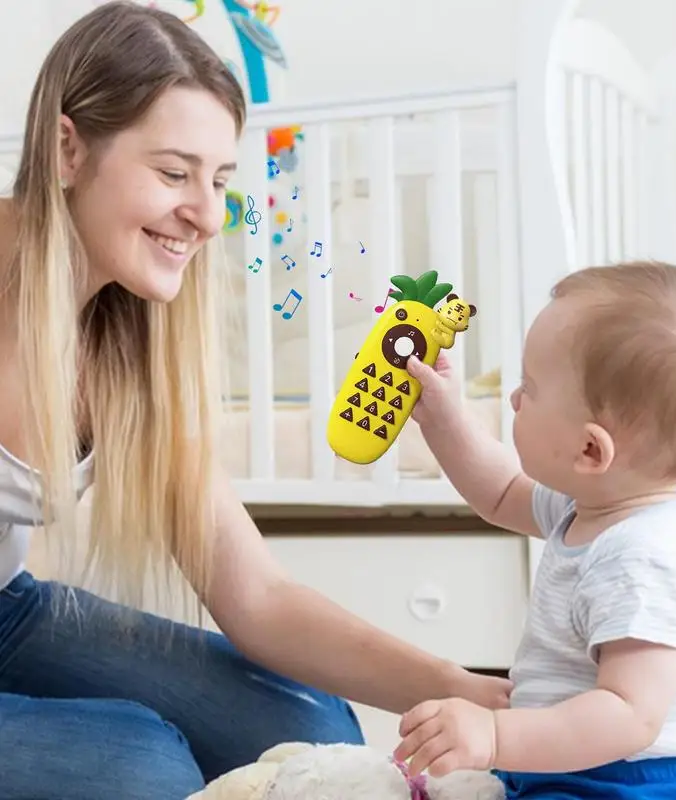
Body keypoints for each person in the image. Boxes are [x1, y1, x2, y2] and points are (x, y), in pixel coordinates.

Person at [0, 3, 511, 798]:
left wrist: (471, 690)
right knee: (143, 766)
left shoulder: (127, 342)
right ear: (68, 147)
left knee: (316, 731)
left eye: (220, 180)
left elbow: (259, 598)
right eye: (174, 173)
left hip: (9, 615)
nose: (206, 215)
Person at [395, 261, 676, 799]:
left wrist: (495, 735)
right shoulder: (589, 504)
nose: (515, 399)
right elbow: (498, 493)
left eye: (530, 388)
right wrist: (446, 419)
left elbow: (630, 715)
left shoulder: (642, 561)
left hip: (630, 783)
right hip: (574, 766)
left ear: (590, 449)